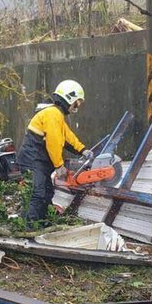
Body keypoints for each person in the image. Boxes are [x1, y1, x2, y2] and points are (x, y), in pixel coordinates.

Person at [17, 80, 93, 224]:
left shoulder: (56, 115)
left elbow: (67, 137)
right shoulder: (53, 114)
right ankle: (29, 226)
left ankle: (42, 221)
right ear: (70, 98)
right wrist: (59, 166)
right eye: (77, 102)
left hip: (38, 161)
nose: (76, 107)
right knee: (37, 193)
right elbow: (54, 142)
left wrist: (82, 150)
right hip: (33, 160)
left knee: (46, 192)